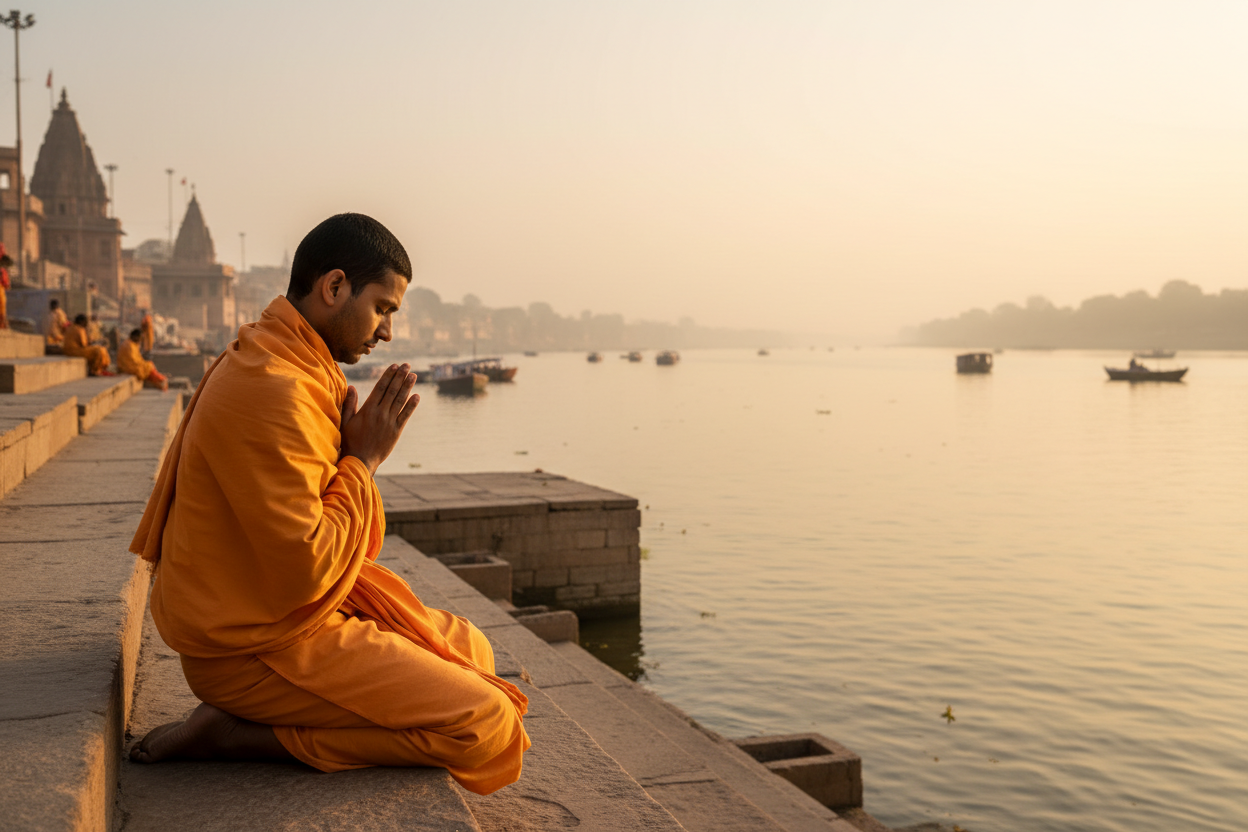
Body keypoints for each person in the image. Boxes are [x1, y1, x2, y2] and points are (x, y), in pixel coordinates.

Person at [127, 213, 530, 795]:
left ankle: (276, 717)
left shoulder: (292, 362)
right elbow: (312, 566)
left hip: (283, 612)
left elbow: (352, 551)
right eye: (383, 308)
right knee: (485, 725)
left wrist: (350, 454)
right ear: (334, 287)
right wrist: (363, 462)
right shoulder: (275, 387)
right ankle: (239, 736)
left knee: (473, 647)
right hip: (253, 647)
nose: (387, 331)